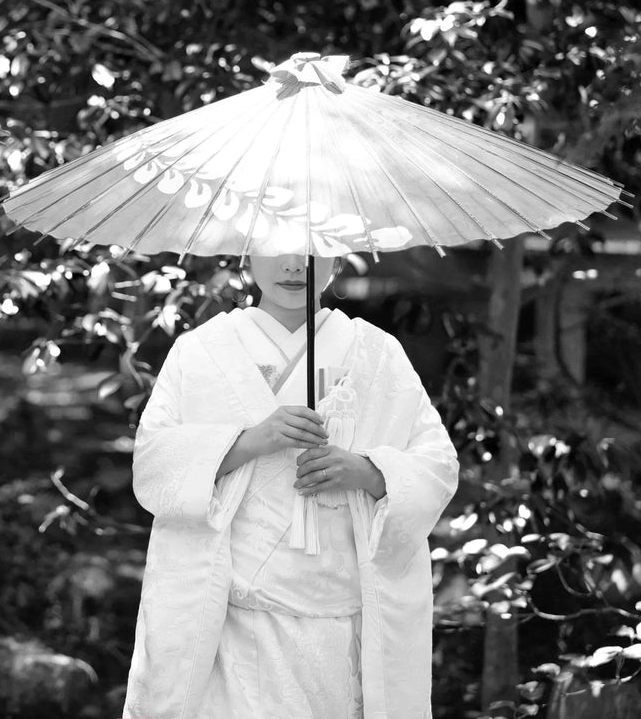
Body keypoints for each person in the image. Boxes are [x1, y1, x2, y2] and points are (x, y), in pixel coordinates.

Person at [123, 254, 459, 719]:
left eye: (311, 251)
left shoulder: (375, 352)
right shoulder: (201, 350)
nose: (293, 266)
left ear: (337, 259)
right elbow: (154, 465)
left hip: (344, 626)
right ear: (246, 254)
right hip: (230, 623)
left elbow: (437, 464)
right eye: (275, 246)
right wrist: (248, 442)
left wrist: (367, 471)